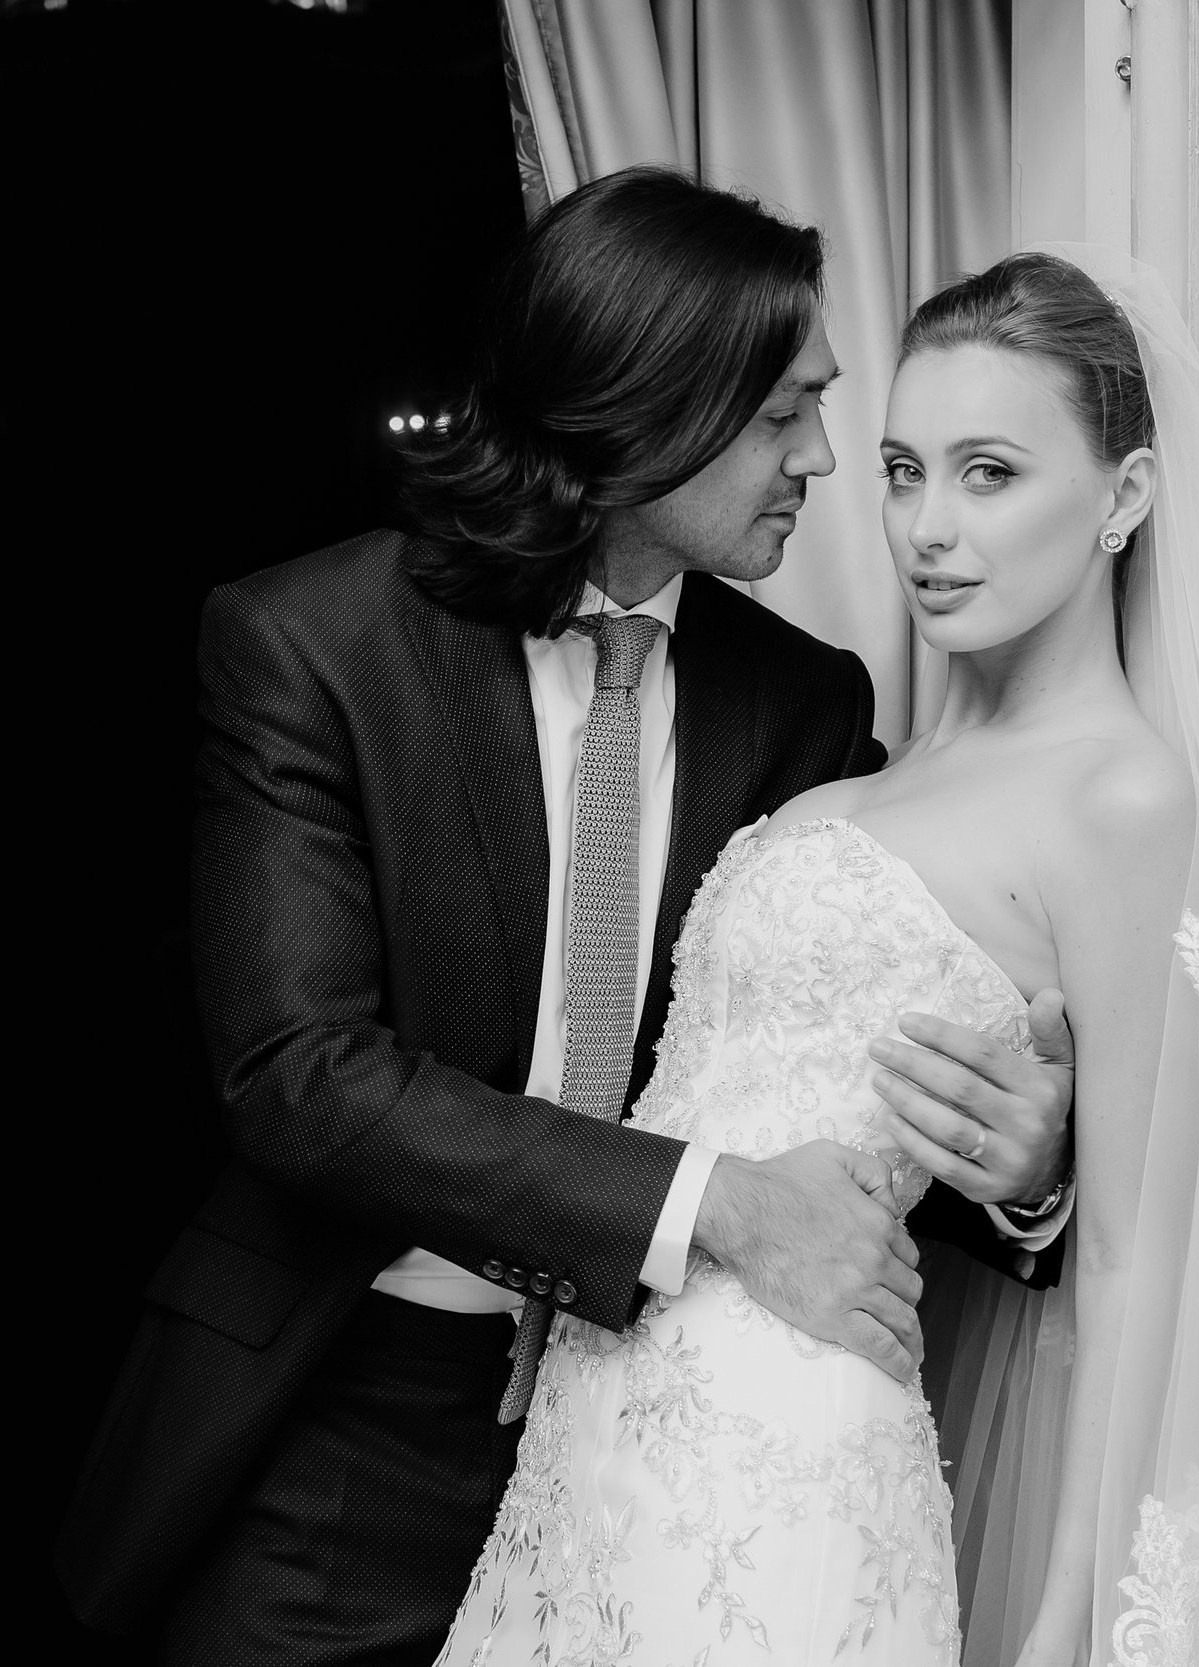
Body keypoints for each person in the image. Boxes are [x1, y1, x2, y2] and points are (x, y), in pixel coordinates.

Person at [55, 169, 1074, 1666]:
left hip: (662, 1467)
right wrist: (705, 1201)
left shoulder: (801, 702)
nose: (823, 459)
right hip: (350, 1418)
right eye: (782, 411)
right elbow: (299, 1077)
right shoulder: (310, 647)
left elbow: (846, 1044)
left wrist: (1028, 1176)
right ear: (642, 402)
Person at [436, 249, 1199, 1667]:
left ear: (1122, 499)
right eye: (901, 470)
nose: (926, 527)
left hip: (793, 1482)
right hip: (592, 1460)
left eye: (988, 473)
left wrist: (1072, 1621)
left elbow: (1139, 1263)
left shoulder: (1120, 799)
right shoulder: (847, 761)